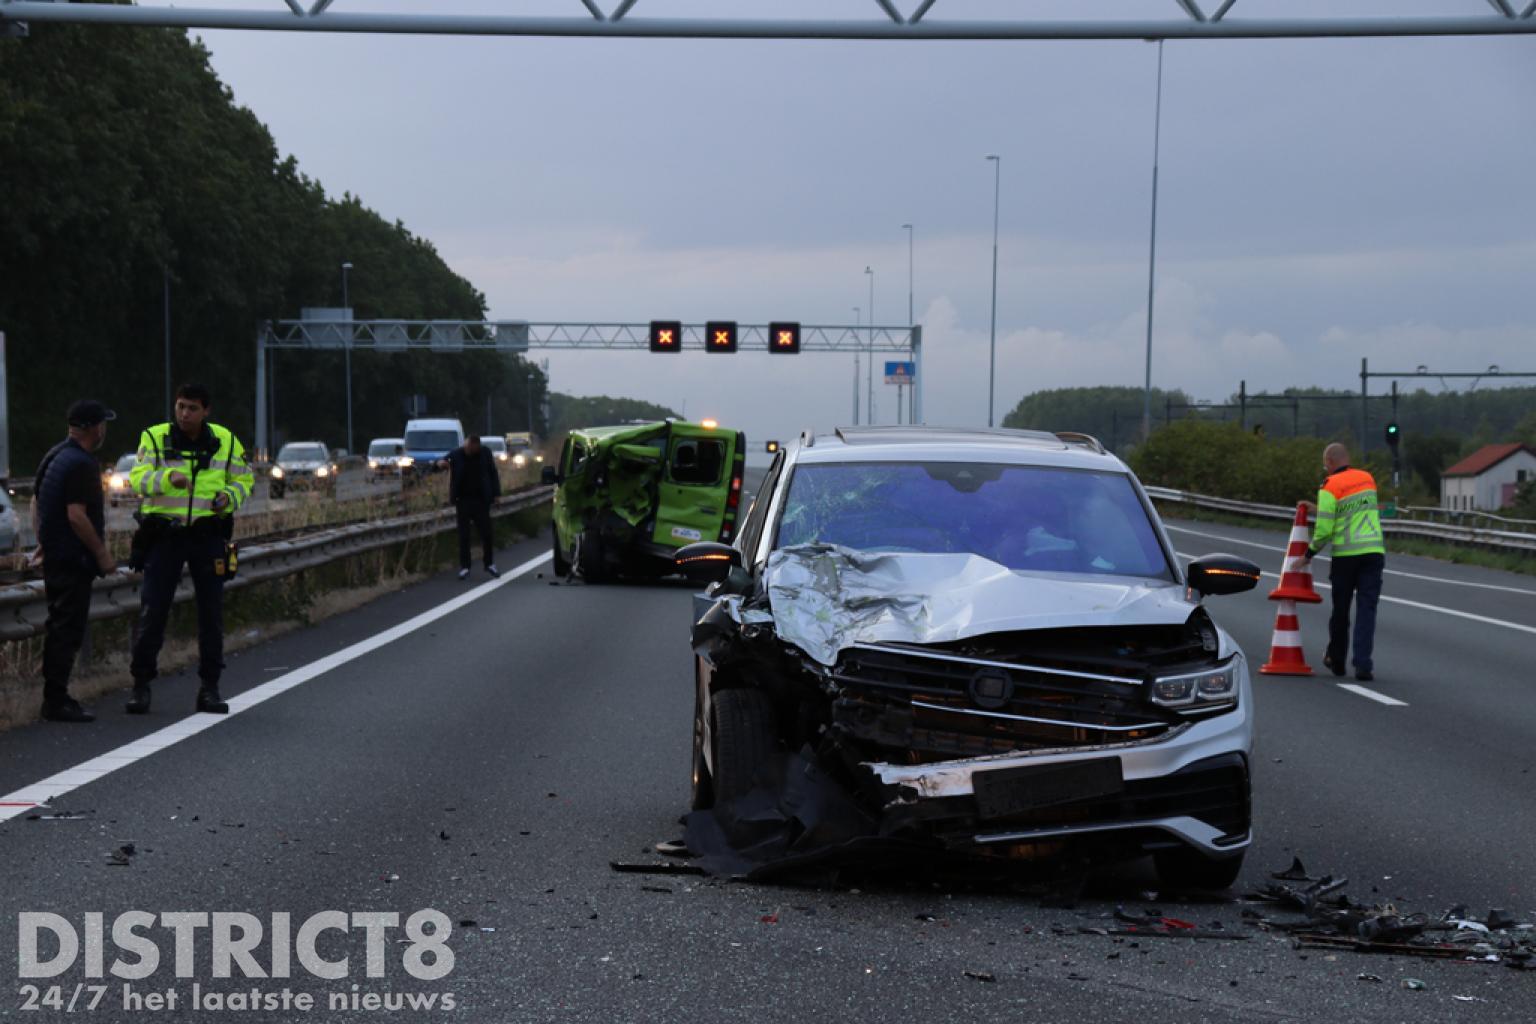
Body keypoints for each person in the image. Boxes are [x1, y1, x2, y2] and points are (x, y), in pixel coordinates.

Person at [126, 383, 254, 715]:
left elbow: (245, 480)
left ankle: (209, 688)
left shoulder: (225, 441)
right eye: (180, 406)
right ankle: (141, 686)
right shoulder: (155, 438)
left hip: (207, 537)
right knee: (153, 612)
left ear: (206, 411)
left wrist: (229, 498)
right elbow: (137, 479)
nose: (184, 414)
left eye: (192, 408)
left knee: (211, 614)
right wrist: (167, 477)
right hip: (165, 537)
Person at [31, 400, 118, 722]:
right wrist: (102, 554)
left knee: (59, 624)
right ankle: (56, 700)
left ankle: (54, 697)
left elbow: (38, 502)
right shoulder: (82, 464)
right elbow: (77, 516)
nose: (104, 430)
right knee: (67, 629)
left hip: (57, 554)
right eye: (103, 424)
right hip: (72, 558)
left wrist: (42, 541)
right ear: (95, 427)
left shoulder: (55, 455)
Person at [1302, 442, 1385, 682]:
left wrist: (1308, 555)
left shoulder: (1330, 486)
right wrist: (1317, 508)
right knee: (1367, 610)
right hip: (1373, 552)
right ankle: (1363, 665)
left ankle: (1337, 661)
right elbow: (1351, 510)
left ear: (1328, 462)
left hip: (1346, 557)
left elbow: (1325, 529)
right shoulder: (1367, 479)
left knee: (1341, 611)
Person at [441, 435, 501, 580]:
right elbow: (441, 462)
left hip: (481, 500)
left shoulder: (485, 453)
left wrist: (496, 494)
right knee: (464, 535)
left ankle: (489, 563)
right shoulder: (457, 454)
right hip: (462, 500)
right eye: (467, 448)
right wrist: (440, 464)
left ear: (477, 447)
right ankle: (465, 567)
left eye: (471, 449)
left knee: (487, 533)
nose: (468, 451)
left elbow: (493, 473)